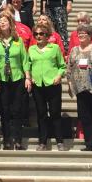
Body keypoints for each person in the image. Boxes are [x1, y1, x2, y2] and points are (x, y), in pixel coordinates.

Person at [0, 14, 30, 150]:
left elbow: (24, 60)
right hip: (2, 79)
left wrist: (27, 77)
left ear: (10, 24)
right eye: (0, 21)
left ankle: (18, 140)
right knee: (4, 110)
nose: (2, 23)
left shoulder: (18, 40)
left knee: (17, 110)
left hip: (17, 78)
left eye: (5, 21)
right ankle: (7, 140)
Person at [28, 23, 67, 151]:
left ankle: (59, 141)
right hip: (38, 85)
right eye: (36, 34)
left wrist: (59, 76)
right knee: (41, 114)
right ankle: (42, 142)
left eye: (41, 34)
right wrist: (30, 77)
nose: (38, 36)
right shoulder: (31, 49)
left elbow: (62, 65)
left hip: (53, 84)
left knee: (55, 113)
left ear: (47, 35)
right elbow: (28, 65)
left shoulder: (54, 48)